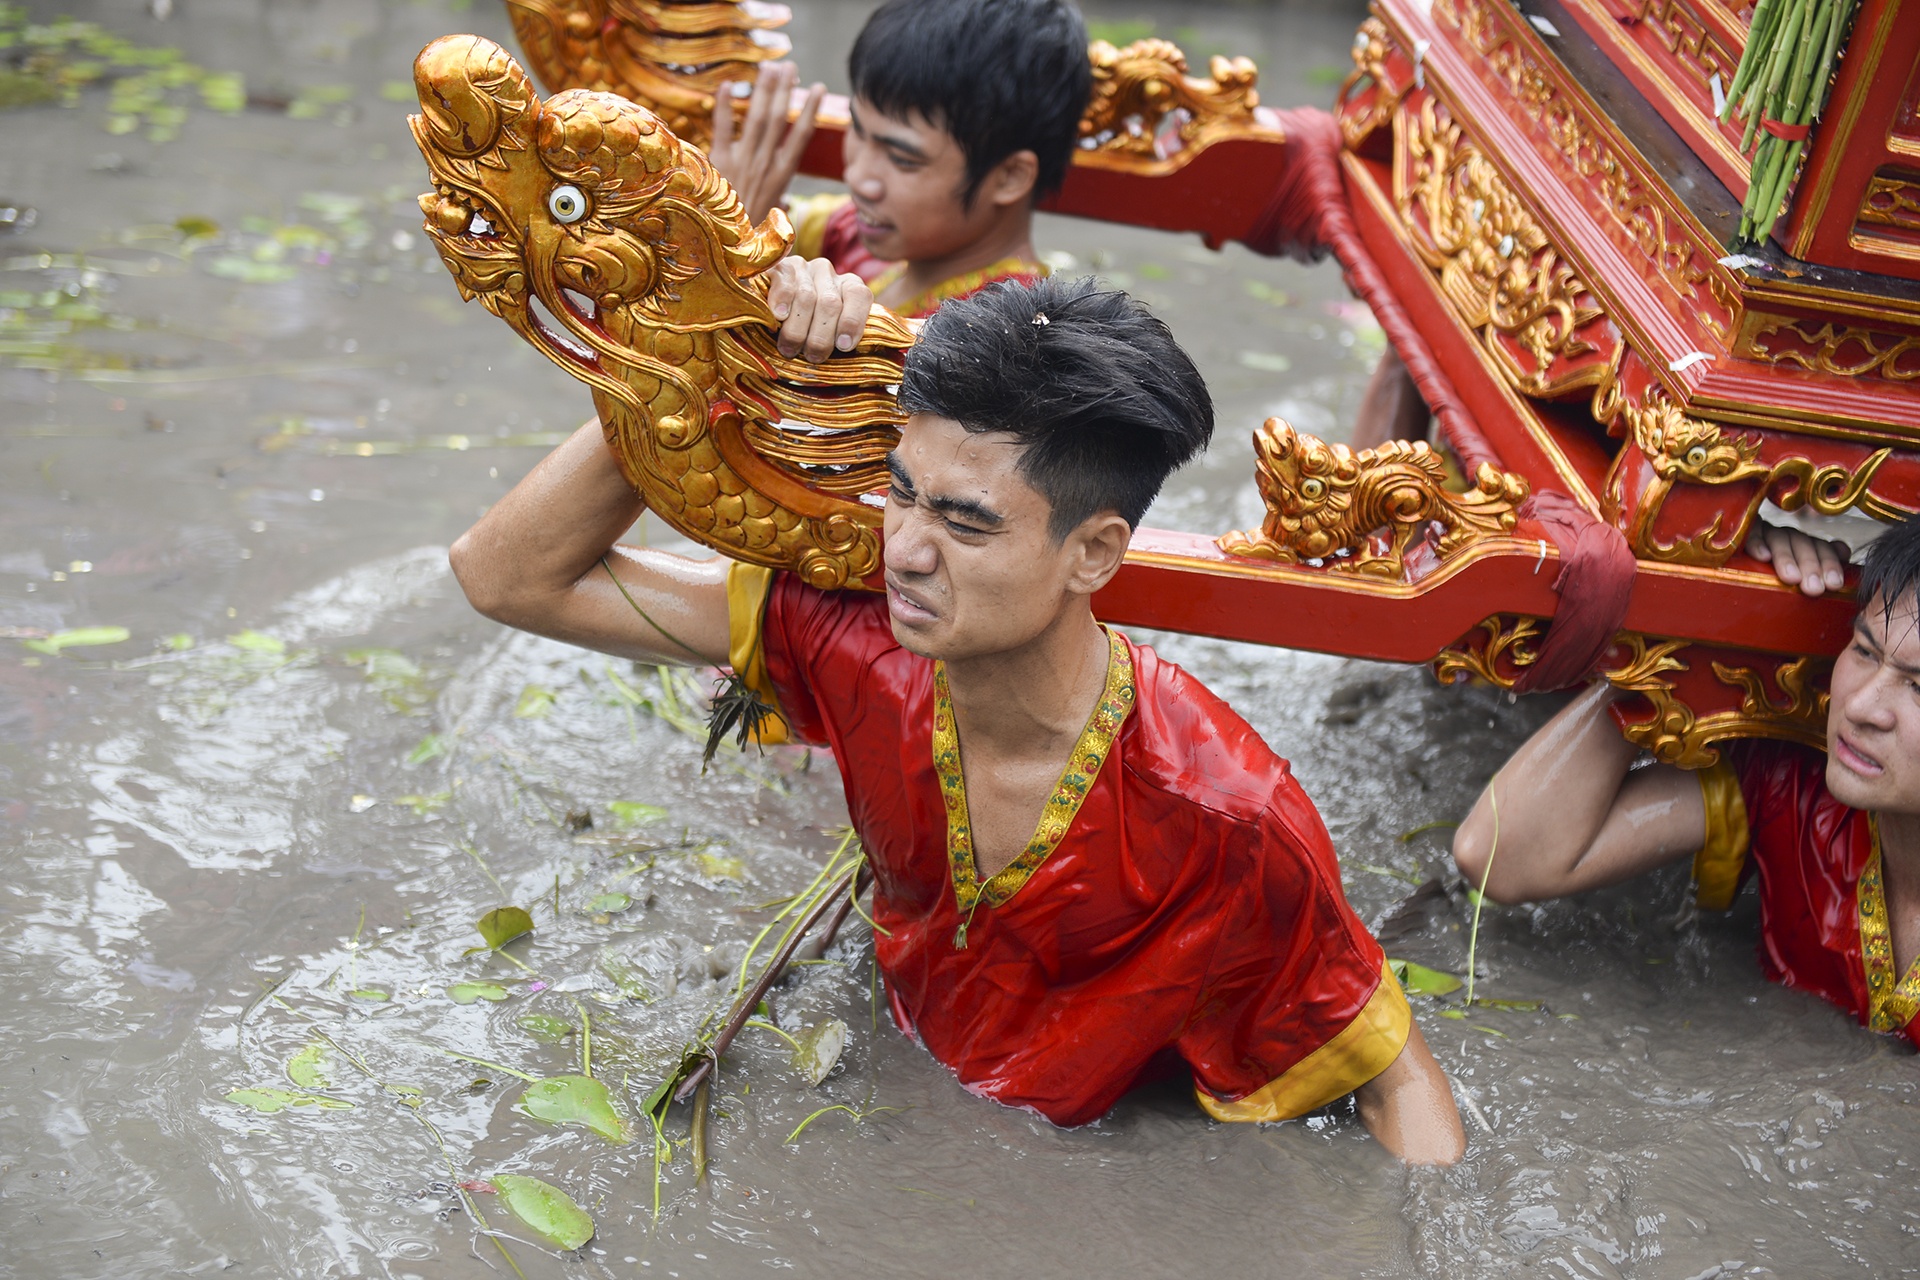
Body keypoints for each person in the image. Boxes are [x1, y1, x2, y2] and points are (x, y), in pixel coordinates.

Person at [450, 270, 1465, 1162]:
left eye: (965, 522)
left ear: (1094, 554)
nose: (905, 551)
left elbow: (1394, 1070)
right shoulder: (852, 644)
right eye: (901, 494)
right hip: (896, 1054)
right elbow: (505, 575)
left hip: (1089, 1156)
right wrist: (711, 353)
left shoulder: (1228, 817)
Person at [1450, 517, 1920, 1048]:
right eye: (1863, 651)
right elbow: (1498, 855)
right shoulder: (1792, 785)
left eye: (1918, 688)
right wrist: (1689, 626)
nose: (1860, 707)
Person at [705, 0, 1090, 319]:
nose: (858, 177)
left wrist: (734, 241)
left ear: (1009, 177)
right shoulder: (863, 234)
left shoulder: (1003, 341)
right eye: (857, 129)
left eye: (904, 159)